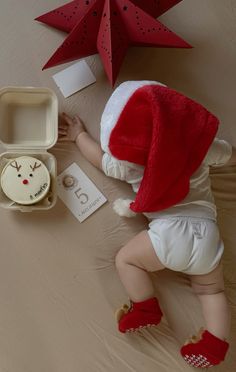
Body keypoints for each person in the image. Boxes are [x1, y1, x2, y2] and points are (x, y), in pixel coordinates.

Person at [58, 81, 236, 368]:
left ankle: (145, 306)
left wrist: (79, 136)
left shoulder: (129, 162)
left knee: (127, 261)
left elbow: (100, 159)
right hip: (206, 234)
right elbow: (230, 156)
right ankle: (215, 341)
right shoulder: (199, 147)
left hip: (168, 233)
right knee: (212, 291)